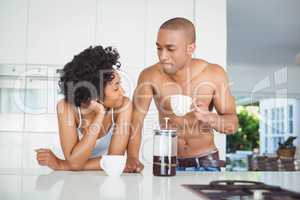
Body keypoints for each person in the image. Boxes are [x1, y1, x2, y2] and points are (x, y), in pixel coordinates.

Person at [126, 17, 238, 172]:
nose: (163, 56)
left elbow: (232, 125)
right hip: (168, 163)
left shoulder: (214, 74)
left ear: (190, 48)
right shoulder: (149, 76)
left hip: (206, 163)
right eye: (159, 48)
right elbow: (135, 121)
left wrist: (209, 117)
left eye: (170, 49)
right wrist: (132, 158)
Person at [35, 46, 132, 171]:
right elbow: (75, 163)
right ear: (95, 95)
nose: (122, 92)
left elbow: (114, 160)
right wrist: (100, 114)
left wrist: (62, 165)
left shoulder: (124, 105)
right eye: (116, 87)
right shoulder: (65, 107)